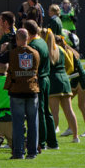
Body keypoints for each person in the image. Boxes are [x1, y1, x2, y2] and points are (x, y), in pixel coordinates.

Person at [4, 29, 40, 160]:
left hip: (17, 91)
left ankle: (18, 152)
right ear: (28, 38)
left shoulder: (12, 53)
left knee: (18, 123)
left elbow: (1, 60)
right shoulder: (35, 53)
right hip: (32, 90)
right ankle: (32, 151)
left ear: (17, 39)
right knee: (33, 122)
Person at [23, 20, 58, 151]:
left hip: (39, 80)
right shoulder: (41, 41)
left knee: (40, 111)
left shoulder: (34, 45)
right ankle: (52, 141)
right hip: (45, 79)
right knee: (46, 112)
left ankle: (41, 142)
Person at [46, 33, 79, 143]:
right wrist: (64, 74)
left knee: (54, 113)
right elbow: (70, 66)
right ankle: (76, 137)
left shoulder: (47, 50)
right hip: (64, 80)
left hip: (53, 81)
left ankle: (52, 139)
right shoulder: (61, 49)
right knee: (69, 110)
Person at [64, 39, 85, 137]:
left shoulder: (68, 52)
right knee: (66, 104)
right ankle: (70, 128)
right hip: (75, 79)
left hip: (81, 79)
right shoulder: (69, 51)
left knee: (82, 105)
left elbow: (69, 68)